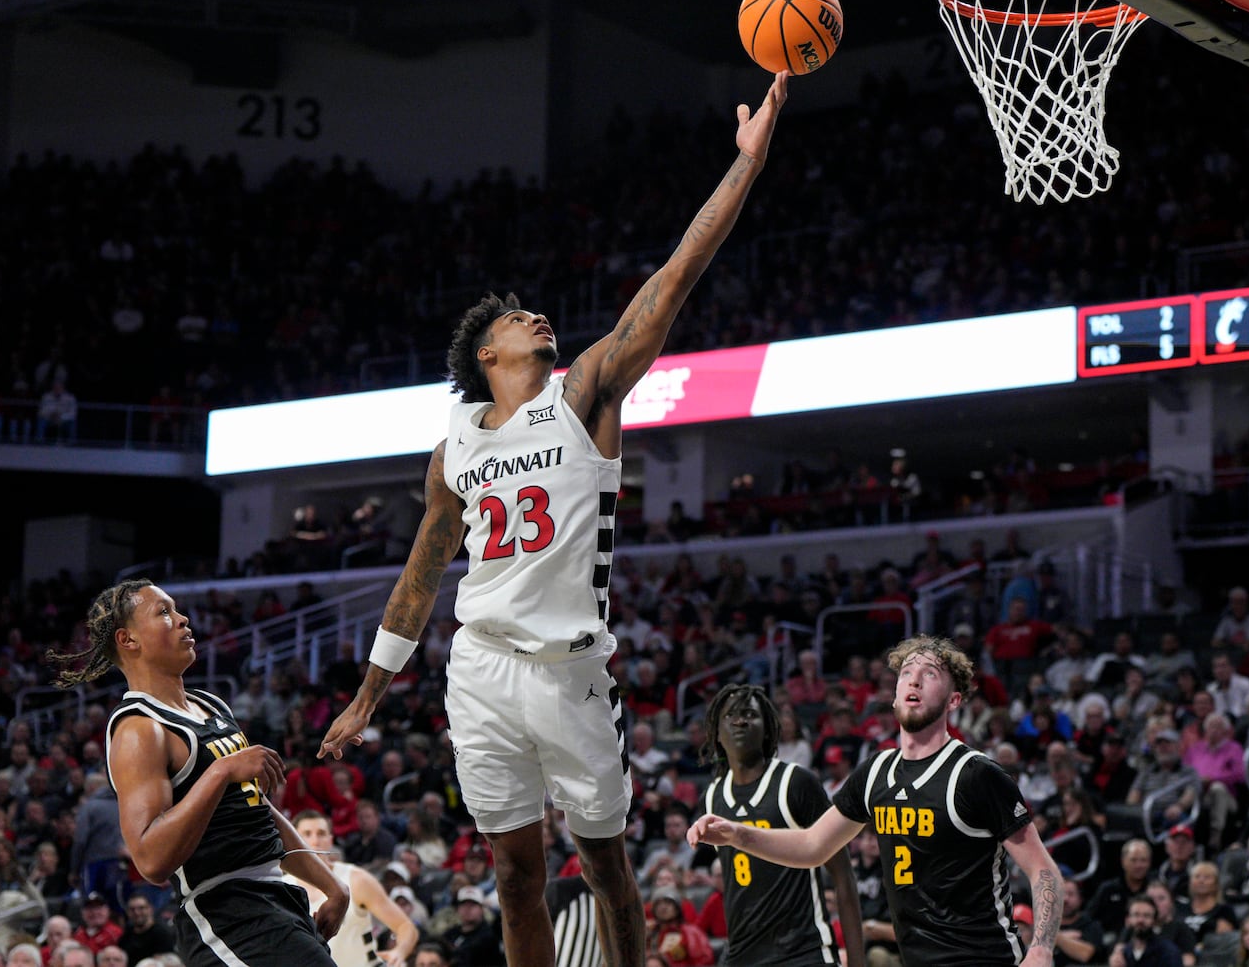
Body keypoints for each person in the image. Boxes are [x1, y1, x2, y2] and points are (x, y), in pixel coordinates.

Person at [319, 70, 791, 967]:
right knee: (512, 872)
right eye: (515, 316)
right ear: (487, 352)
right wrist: (367, 695)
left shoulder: (584, 393)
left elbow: (675, 276)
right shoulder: (454, 440)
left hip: (574, 673)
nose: (539, 314)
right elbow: (423, 575)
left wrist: (746, 166)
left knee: (607, 866)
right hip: (482, 667)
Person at [687, 634, 1064, 967]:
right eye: (906, 673)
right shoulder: (876, 773)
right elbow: (812, 846)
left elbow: (1043, 871)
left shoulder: (977, 775)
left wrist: (1041, 950)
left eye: (930, 673)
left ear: (954, 700)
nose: (914, 679)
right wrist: (737, 834)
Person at [51, 579, 347, 967]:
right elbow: (151, 859)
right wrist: (221, 771)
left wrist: (331, 885)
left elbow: (257, 811)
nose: (183, 619)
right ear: (128, 640)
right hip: (224, 913)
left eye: (175, 609)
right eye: (163, 612)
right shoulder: (139, 728)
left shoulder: (212, 706)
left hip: (276, 898)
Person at [695, 682, 865, 967]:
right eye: (730, 715)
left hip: (804, 950)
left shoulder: (797, 783)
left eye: (749, 714)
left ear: (768, 729)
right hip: (741, 953)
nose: (739, 720)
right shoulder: (711, 798)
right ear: (716, 733)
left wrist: (858, 962)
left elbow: (843, 874)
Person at [286, 810, 419, 966]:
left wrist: (399, 952)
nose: (315, 841)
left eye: (321, 834)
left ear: (330, 840)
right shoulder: (283, 886)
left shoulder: (357, 880)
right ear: (294, 841)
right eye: (307, 834)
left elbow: (405, 926)